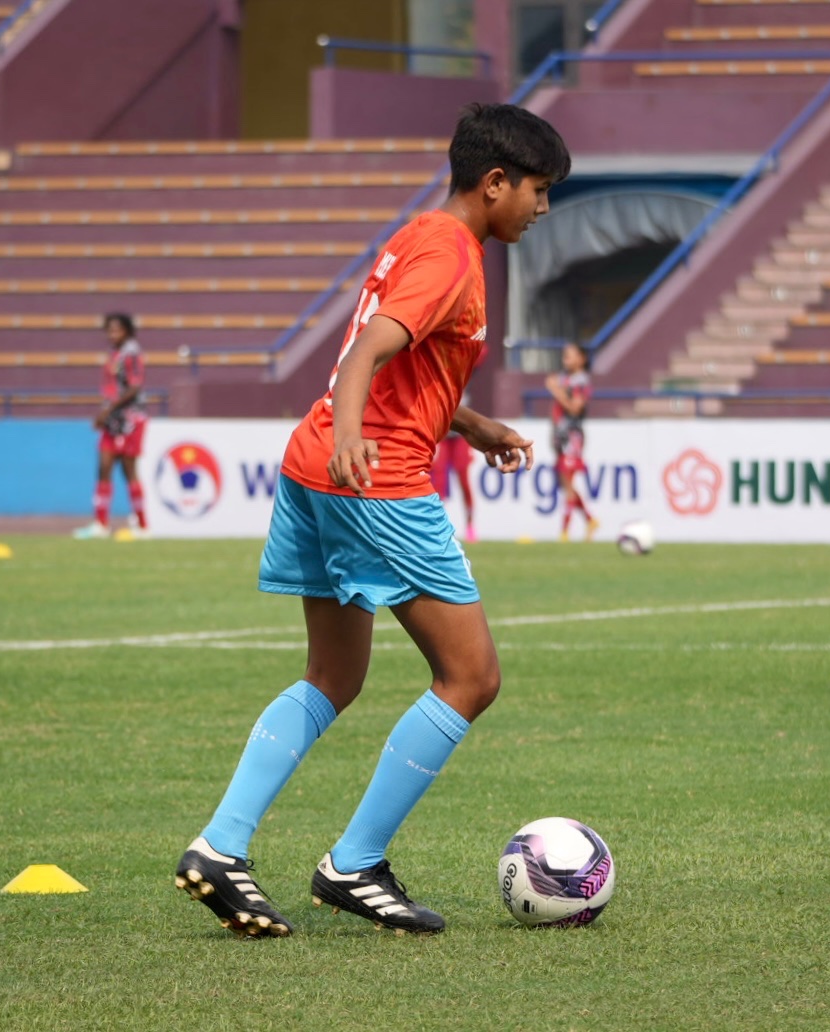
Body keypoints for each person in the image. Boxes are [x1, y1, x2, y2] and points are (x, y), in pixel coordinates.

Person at [175, 102, 571, 938]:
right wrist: (358, 435)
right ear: (494, 182)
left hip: (314, 464)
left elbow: (406, 363)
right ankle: (353, 863)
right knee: (472, 677)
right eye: (538, 190)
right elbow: (366, 353)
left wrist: (469, 424)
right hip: (373, 476)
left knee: (335, 675)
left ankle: (221, 847)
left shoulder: (419, 235)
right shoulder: (453, 254)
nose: (542, 207)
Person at [73, 313, 149, 539]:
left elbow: (134, 387)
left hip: (129, 419)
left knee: (129, 470)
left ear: (127, 331)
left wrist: (107, 410)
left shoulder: (132, 353)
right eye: (109, 330)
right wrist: (106, 412)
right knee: (103, 466)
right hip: (112, 419)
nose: (112, 334)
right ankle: (101, 524)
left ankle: (144, 526)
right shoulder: (114, 354)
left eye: (117, 330)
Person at [545, 341, 599, 541]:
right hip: (561, 436)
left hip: (572, 436)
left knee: (567, 483)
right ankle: (590, 519)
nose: (565, 358)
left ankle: (565, 532)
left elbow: (575, 408)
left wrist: (555, 390)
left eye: (570, 354)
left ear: (581, 359)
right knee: (564, 483)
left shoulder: (581, 381)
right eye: (564, 354)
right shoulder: (564, 378)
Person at [430, 385, 478, 543]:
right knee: (438, 481)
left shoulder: (464, 372)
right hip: (442, 434)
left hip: (460, 436)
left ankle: (470, 525)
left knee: (464, 480)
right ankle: (437, 525)